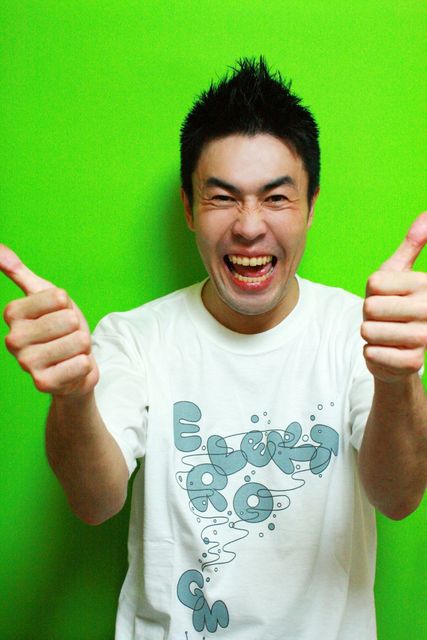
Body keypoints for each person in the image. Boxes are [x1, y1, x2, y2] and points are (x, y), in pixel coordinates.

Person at [1, 58, 426, 640]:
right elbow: (94, 501)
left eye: (276, 198)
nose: (249, 227)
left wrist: (398, 381)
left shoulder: (358, 330)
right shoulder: (134, 337)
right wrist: (73, 396)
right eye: (223, 197)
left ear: (311, 206)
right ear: (189, 208)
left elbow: (398, 498)